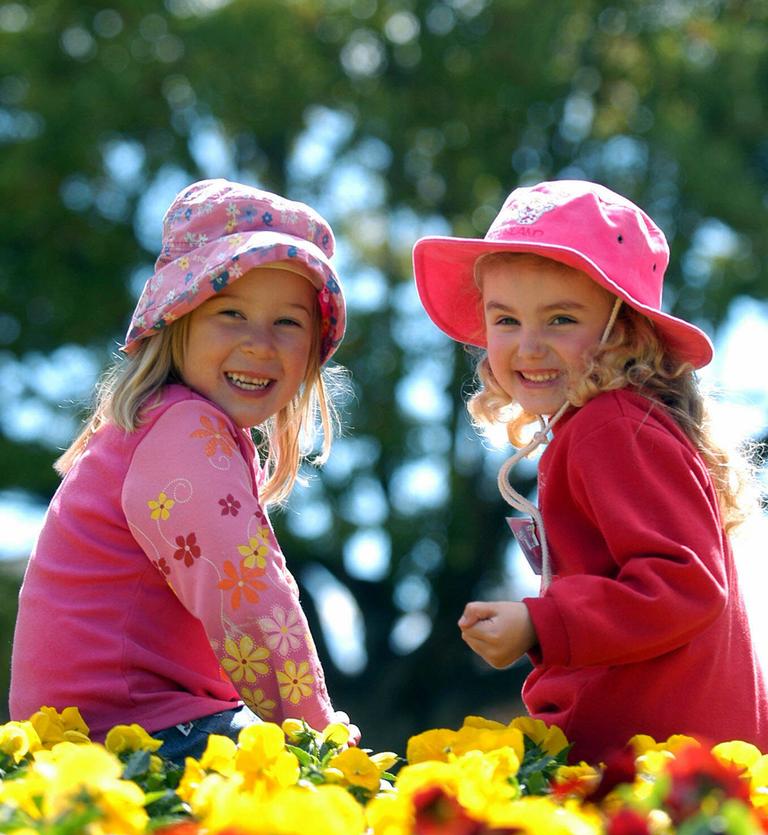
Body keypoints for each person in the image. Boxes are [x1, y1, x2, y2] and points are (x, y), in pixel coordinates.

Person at [412, 179, 767, 764]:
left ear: (622, 330)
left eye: (559, 320)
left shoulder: (610, 426)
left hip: (652, 755)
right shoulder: (620, 424)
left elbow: (685, 581)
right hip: (685, 751)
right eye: (505, 321)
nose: (527, 346)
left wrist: (538, 622)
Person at [11, 177, 357, 760]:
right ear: (178, 322)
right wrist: (320, 740)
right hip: (137, 736)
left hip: (92, 735)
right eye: (231, 313)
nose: (260, 344)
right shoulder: (182, 430)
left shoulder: (152, 425)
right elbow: (248, 599)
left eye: (288, 323)